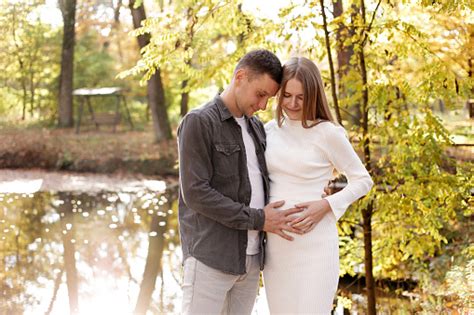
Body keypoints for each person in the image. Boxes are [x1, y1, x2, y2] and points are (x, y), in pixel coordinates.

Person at [177, 49, 304, 315]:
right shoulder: (199, 122)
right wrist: (258, 219)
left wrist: (306, 190)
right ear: (240, 77)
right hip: (210, 257)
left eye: (269, 98)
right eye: (260, 94)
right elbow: (196, 193)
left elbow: (272, 178)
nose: (264, 105)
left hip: (251, 260)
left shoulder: (256, 128)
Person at [263, 57, 374, 314]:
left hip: (315, 245)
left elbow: (363, 180)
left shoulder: (327, 133)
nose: (292, 104)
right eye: (287, 95)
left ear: (313, 95)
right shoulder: (269, 130)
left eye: (300, 97)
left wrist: (326, 205)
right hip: (277, 248)